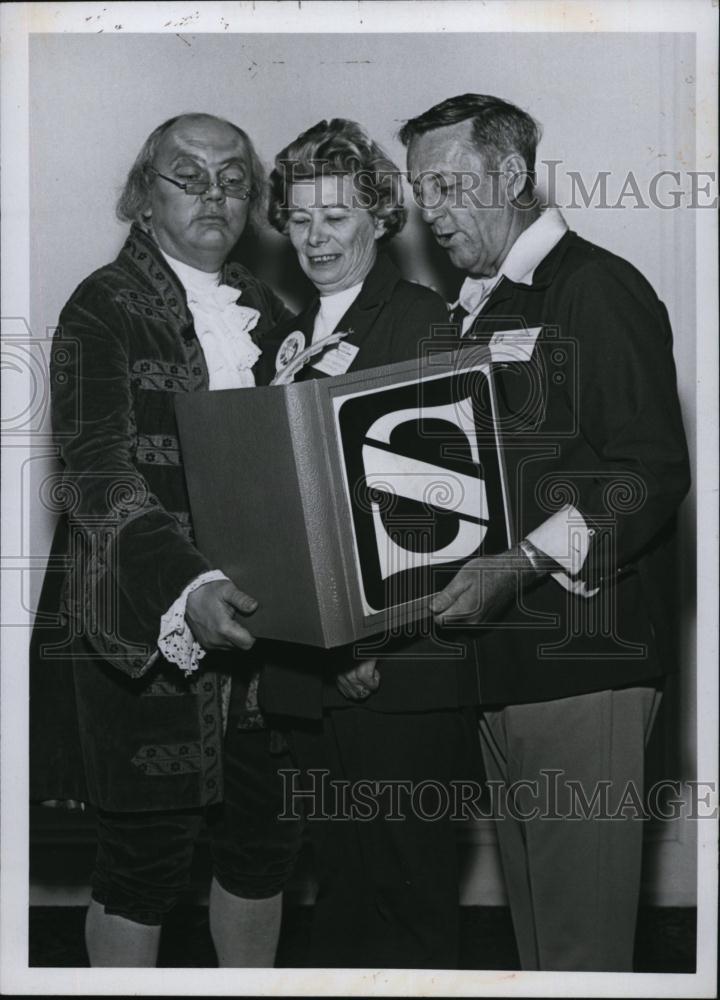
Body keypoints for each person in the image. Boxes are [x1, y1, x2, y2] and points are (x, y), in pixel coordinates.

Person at [400, 94, 691, 971]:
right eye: (422, 191)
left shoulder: (595, 286)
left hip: (580, 669)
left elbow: (648, 470)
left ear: (515, 176)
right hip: (503, 668)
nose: (433, 210)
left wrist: (520, 563)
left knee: (581, 955)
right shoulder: (479, 306)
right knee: (541, 955)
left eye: (449, 184)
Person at [29, 113, 302, 967]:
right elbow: (94, 475)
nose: (214, 193)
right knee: (142, 867)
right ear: (143, 199)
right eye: (188, 175)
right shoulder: (100, 306)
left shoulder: (269, 307)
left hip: (268, 636)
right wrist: (188, 586)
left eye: (232, 178)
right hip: (140, 634)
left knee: (263, 853)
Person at [256, 118, 482, 969]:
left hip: (399, 671)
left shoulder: (425, 323)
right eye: (301, 217)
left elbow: (449, 511)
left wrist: (366, 632)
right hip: (312, 672)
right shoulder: (285, 337)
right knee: (341, 901)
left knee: (410, 900)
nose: (315, 238)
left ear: (381, 219)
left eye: (337, 218)